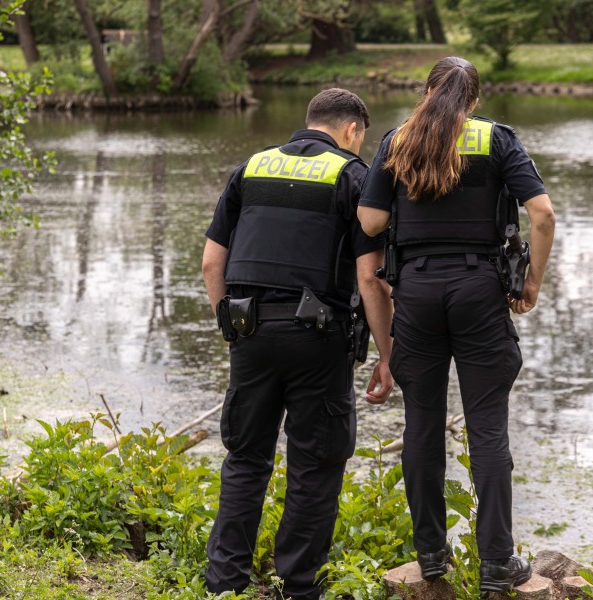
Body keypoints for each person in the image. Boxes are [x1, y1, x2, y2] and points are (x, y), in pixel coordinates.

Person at [357, 57, 556, 592]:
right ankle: (497, 562)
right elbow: (542, 215)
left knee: (422, 423)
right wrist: (531, 283)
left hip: (417, 292)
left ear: (427, 91)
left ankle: (430, 556)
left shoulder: (398, 139)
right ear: (474, 99)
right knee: (487, 425)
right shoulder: (497, 139)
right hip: (479, 290)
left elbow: (371, 221)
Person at [201, 88, 395, 600]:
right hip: (319, 339)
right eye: (362, 138)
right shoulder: (353, 176)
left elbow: (210, 263)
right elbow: (370, 279)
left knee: (245, 458)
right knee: (316, 463)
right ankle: (298, 586)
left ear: (309, 121)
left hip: (251, 332)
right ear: (352, 130)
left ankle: (224, 584)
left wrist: (231, 324)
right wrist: (387, 353)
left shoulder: (252, 167)